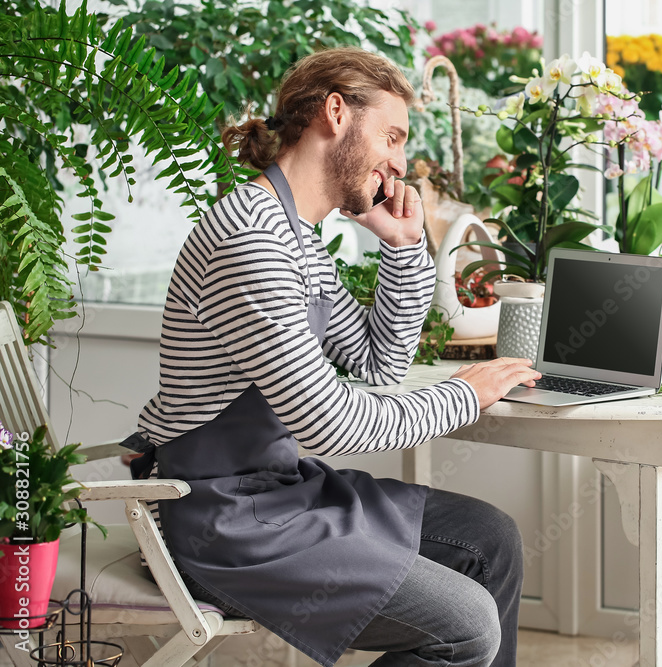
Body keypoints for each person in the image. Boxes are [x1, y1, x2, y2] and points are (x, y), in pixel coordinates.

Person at [120, 46, 540, 667]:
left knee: (489, 539)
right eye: (392, 136)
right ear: (336, 113)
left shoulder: (297, 238)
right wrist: (465, 393)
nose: (399, 163)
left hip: (279, 493)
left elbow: (378, 366)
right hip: (222, 524)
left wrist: (403, 250)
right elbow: (329, 424)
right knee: (467, 624)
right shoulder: (252, 240)